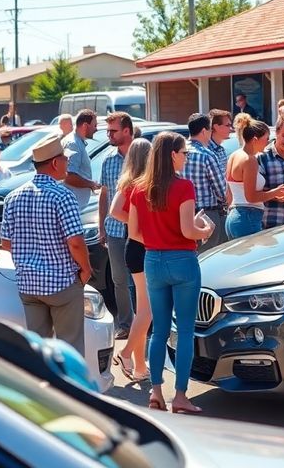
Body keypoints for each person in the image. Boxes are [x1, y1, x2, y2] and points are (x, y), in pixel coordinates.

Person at [126, 131, 214, 414]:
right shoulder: (184, 187)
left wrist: (158, 237)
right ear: (172, 155)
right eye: (184, 153)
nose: (186, 157)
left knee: (159, 330)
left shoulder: (139, 189)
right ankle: (180, 396)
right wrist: (206, 230)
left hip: (153, 260)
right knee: (185, 331)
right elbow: (189, 230)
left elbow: (134, 233)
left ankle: (155, 392)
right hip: (182, 259)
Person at [1, 136, 93, 355]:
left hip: (29, 285)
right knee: (69, 351)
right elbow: (76, 242)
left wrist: (30, 255)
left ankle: (42, 389)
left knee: (38, 353)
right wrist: (87, 270)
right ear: (54, 163)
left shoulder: (13, 197)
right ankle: (67, 390)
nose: (68, 163)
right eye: (65, 159)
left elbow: (6, 242)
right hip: (62, 283)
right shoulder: (63, 196)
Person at [109, 138, 153, 382]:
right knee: (148, 310)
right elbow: (115, 211)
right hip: (140, 247)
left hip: (133, 247)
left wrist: (134, 224)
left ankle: (139, 367)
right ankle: (126, 354)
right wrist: (139, 226)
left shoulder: (128, 181)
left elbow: (115, 210)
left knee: (141, 310)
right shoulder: (139, 183)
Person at [98, 112, 136, 339]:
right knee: (119, 279)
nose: (108, 135)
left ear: (127, 131)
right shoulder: (108, 160)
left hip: (140, 230)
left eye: (113, 130)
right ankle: (126, 324)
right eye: (108, 130)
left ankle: (146, 321)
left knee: (144, 278)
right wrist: (102, 225)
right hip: (115, 230)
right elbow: (104, 195)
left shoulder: (143, 156)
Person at [225, 120, 284, 239]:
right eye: (266, 139)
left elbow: (230, 193)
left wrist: (274, 195)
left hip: (234, 217)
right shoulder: (249, 160)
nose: (268, 143)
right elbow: (251, 197)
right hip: (247, 217)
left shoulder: (234, 155)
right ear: (255, 140)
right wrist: (275, 192)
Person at [180, 113, 228, 251]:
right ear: (203, 131)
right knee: (209, 257)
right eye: (210, 130)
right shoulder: (207, 155)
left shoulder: (178, 152)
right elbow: (221, 190)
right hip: (207, 214)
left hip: (182, 215)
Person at [62, 109, 99, 208]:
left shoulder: (77, 142)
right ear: (85, 126)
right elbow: (68, 176)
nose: (96, 129)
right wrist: (91, 184)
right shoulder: (73, 144)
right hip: (73, 206)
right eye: (94, 125)